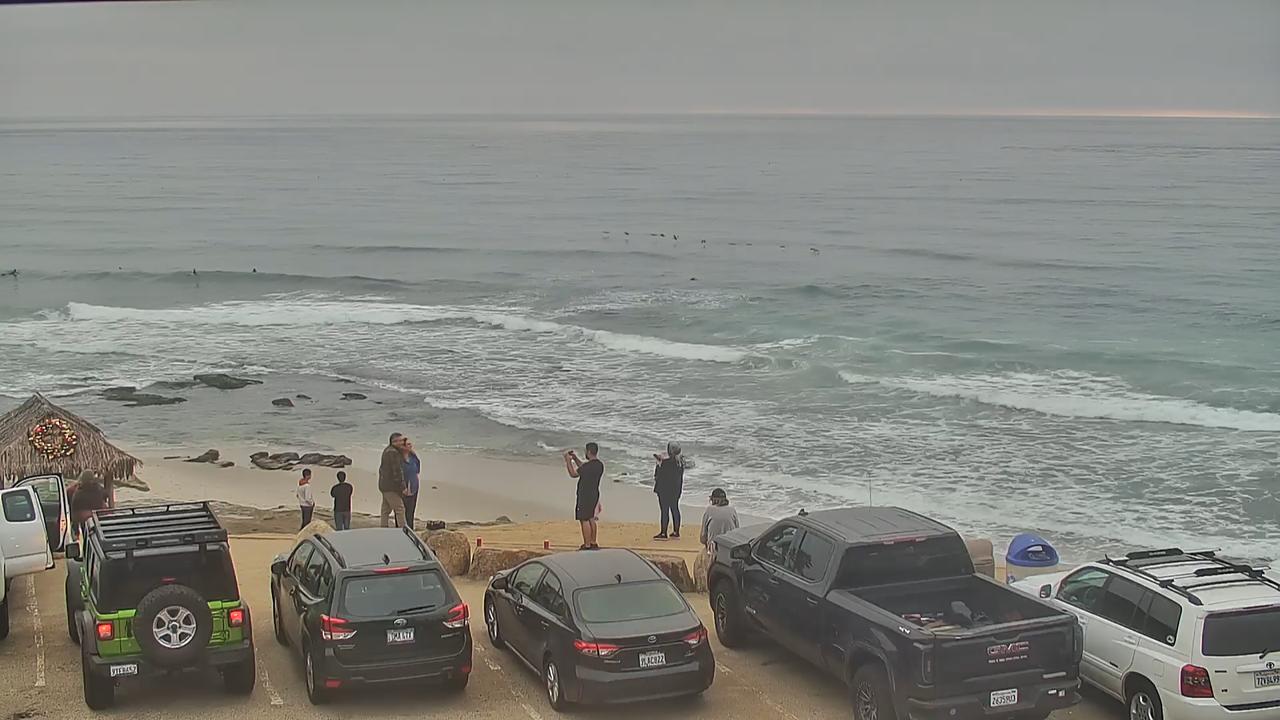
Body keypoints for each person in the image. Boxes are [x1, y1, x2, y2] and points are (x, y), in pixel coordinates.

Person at [564, 442, 604, 550]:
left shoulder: (588, 466)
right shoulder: (599, 465)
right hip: (594, 494)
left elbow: (573, 474)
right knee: (591, 518)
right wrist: (575, 458)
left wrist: (568, 461)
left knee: (584, 519)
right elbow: (583, 467)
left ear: (589, 452)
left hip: (585, 495)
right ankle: (593, 542)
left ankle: (587, 544)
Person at [652, 441, 686, 540]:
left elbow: (658, 475)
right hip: (676, 490)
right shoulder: (680, 462)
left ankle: (663, 533)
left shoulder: (665, 463)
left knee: (664, 510)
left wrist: (659, 463)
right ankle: (676, 532)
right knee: (675, 509)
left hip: (664, 490)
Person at [69, 470, 108, 538]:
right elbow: (106, 495)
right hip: (99, 524)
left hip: (85, 526)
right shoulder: (99, 489)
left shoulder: (77, 494)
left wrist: (75, 530)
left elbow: (74, 515)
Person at [379, 432, 407, 527]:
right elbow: (397, 471)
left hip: (384, 484)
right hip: (391, 486)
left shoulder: (387, 450)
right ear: (394, 442)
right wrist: (403, 487)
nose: (402, 442)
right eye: (400, 441)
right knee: (400, 509)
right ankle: (403, 530)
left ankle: (383, 527)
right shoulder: (393, 453)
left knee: (385, 509)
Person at [699, 488, 739, 553]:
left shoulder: (709, 510)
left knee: (702, 554)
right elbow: (737, 531)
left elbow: (702, 539)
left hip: (713, 549)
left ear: (712, 499)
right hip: (730, 549)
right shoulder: (732, 510)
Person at [401, 439, 421, 530]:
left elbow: (417, 470)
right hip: (403, 488)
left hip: (414, 487)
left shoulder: (414, 457)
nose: (410, 446)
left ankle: (410, 530)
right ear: (403, 446)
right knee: (402, 512)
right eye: (408, 444)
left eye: (410, 444)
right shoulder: (399, 458)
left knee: (411, 511)